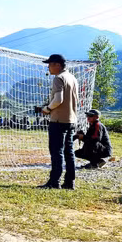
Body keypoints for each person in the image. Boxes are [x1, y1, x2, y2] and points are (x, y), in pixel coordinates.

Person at [37, 54, 79, 190]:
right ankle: (69, 182)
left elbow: (58, 99)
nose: (48, 67)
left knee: (56, 151)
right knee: (69, 152)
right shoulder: (72, 78)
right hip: (71, 119)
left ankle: (54, 182)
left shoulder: (58, 78)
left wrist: (47, 109)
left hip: (58, 120)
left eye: (50, 64)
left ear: (57, 65)